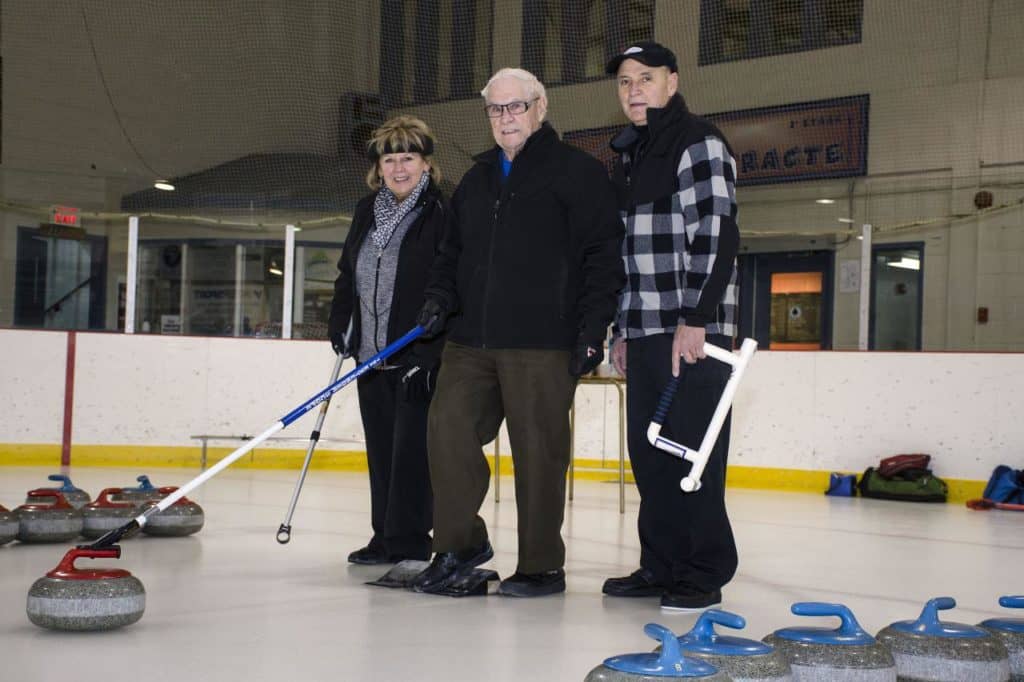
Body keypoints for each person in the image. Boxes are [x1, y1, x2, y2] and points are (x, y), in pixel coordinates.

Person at [409, 68, 625, 597]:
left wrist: (592, 329)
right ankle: (458, 544)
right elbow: (450, 254)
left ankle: (541, 565)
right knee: (447, 428)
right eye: (495, 109)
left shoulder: (578, 173)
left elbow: (603, 257)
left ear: (540, 107)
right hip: (471, 339)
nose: (505, 118)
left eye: (515, 107)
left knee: (539, 451)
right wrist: (439, 298)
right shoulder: (477, 179)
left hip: (543, 341)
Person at [601, 42, 741, 612]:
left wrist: (697, 320)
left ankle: (703, 571)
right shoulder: (633, 155)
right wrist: (621, 331)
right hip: (645, 329)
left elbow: (717, 233)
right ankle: (659, 565)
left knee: (693, 454)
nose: (634, 89)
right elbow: (624, 255)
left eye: (646, 78)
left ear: (673, 82)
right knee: (651, 452)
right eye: (625, 81)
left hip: (692, 332)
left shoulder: (698, 142)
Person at [327, 115, 447, 565]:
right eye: (390, 159)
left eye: (409, 158)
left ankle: (411, 538)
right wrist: (341, 320)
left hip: (414, 355)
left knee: (411, 456)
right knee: (381, 451)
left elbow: (445, 284)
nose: (399, 168)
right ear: (379, 167)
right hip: (370, 356)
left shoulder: (438, 212)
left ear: (426, 164)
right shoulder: (366, 211)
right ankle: (384, 535)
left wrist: (430, 350)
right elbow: (347, 274)